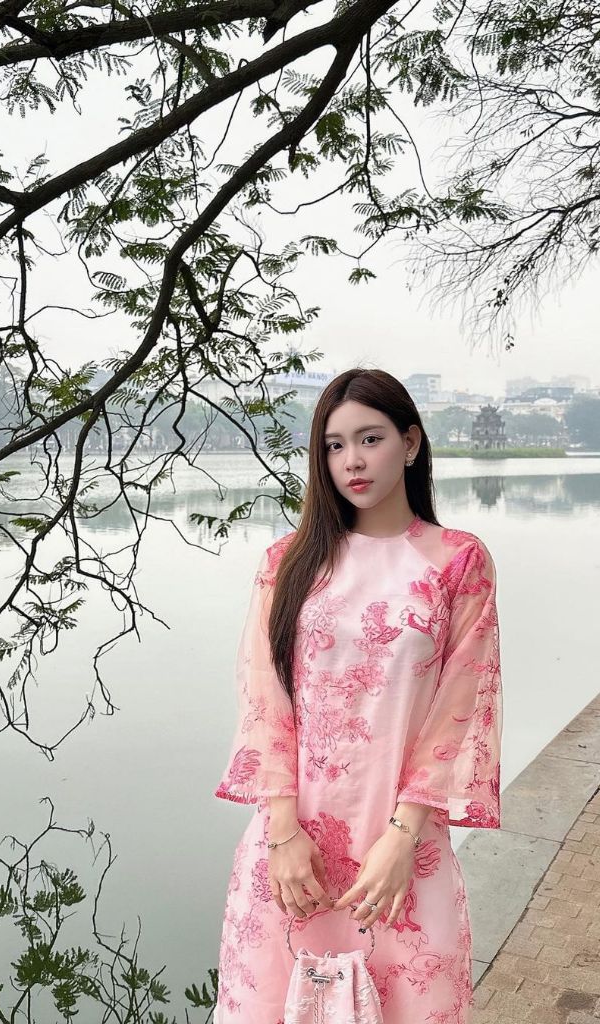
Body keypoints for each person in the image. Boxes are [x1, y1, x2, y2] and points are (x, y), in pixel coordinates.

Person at [212, 368, 502, 1023]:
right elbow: (265, 702)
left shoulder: (457, 563)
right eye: (334, 446)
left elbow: (458, 709)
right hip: (294, 848)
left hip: (400, 849)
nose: (352, 461)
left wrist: (402, 840)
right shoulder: (287, 563)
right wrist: (283, 834)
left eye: (370, 439)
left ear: (411, 442)